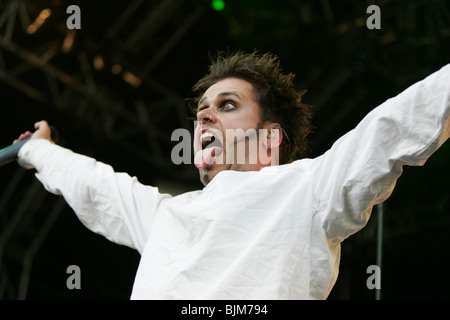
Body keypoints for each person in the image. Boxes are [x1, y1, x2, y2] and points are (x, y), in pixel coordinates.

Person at [14, 51, 449, 299]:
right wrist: (37, 149)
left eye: (227, 105)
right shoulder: (167, 215)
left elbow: (393, 125)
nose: (203, 115)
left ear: (268, 138)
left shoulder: (307, 190)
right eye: (202, 110)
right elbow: (94, 184)